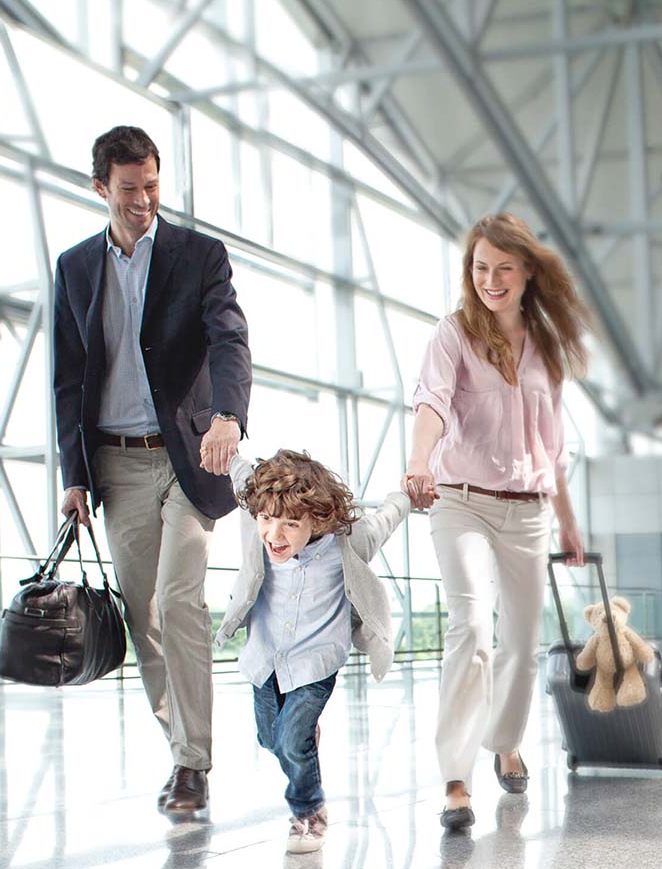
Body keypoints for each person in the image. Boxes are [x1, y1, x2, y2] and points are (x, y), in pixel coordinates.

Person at [53, 125, 251, 812]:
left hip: (189, 459)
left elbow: (229, 337)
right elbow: (68, 378)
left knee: (178, 600)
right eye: (130, 189)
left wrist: (228, 416)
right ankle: (180, 746)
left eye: (153, 187)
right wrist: (73, 475)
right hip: (115, 464)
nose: (143, 201)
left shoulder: (199, 256)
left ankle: (195, 763)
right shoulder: (77, 268)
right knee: (146, 618)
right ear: (101, 187)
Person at [403, 212, 588, 831]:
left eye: (503, 268)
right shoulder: (453, 334)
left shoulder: (546, 345)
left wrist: (567, 522)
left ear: (528, 271)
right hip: (461, 503)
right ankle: (455, 776)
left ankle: (504, 739)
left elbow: (553, 445)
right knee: (471, 627)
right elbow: (430, 402)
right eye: (481, 267)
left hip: (530, 512)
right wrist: (416, 461)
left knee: (523, 644)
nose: (490, 279)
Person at [214, 450, 410, 853]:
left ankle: (308, 811)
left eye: (290, 524)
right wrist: (225, 448)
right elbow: (241, 472)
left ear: (318, 519)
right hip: (265, 656)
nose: (274, 534)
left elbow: (385, 520)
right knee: (270, 739)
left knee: (289, 740)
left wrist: (407, 496)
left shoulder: (347, 542)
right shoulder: (260, 515)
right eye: (267, 520)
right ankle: (302, 737)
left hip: (316, 661)